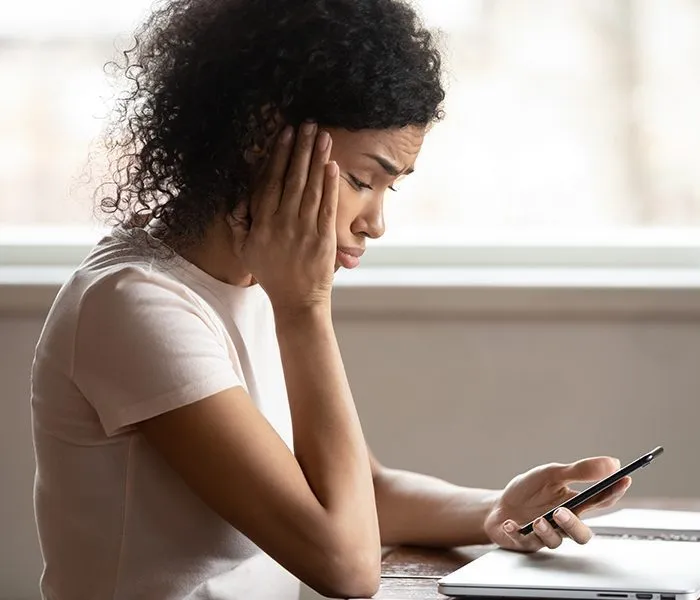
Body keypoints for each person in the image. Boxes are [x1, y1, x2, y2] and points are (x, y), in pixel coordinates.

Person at [30, 0, 632, 598]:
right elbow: (346, 565)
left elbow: (360, 494)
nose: (376, 223)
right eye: (361, 180)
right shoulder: (135, 305)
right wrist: (304, 308)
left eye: (389, 188)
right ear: (261, 134)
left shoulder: (256, 283)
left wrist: (495, 511)